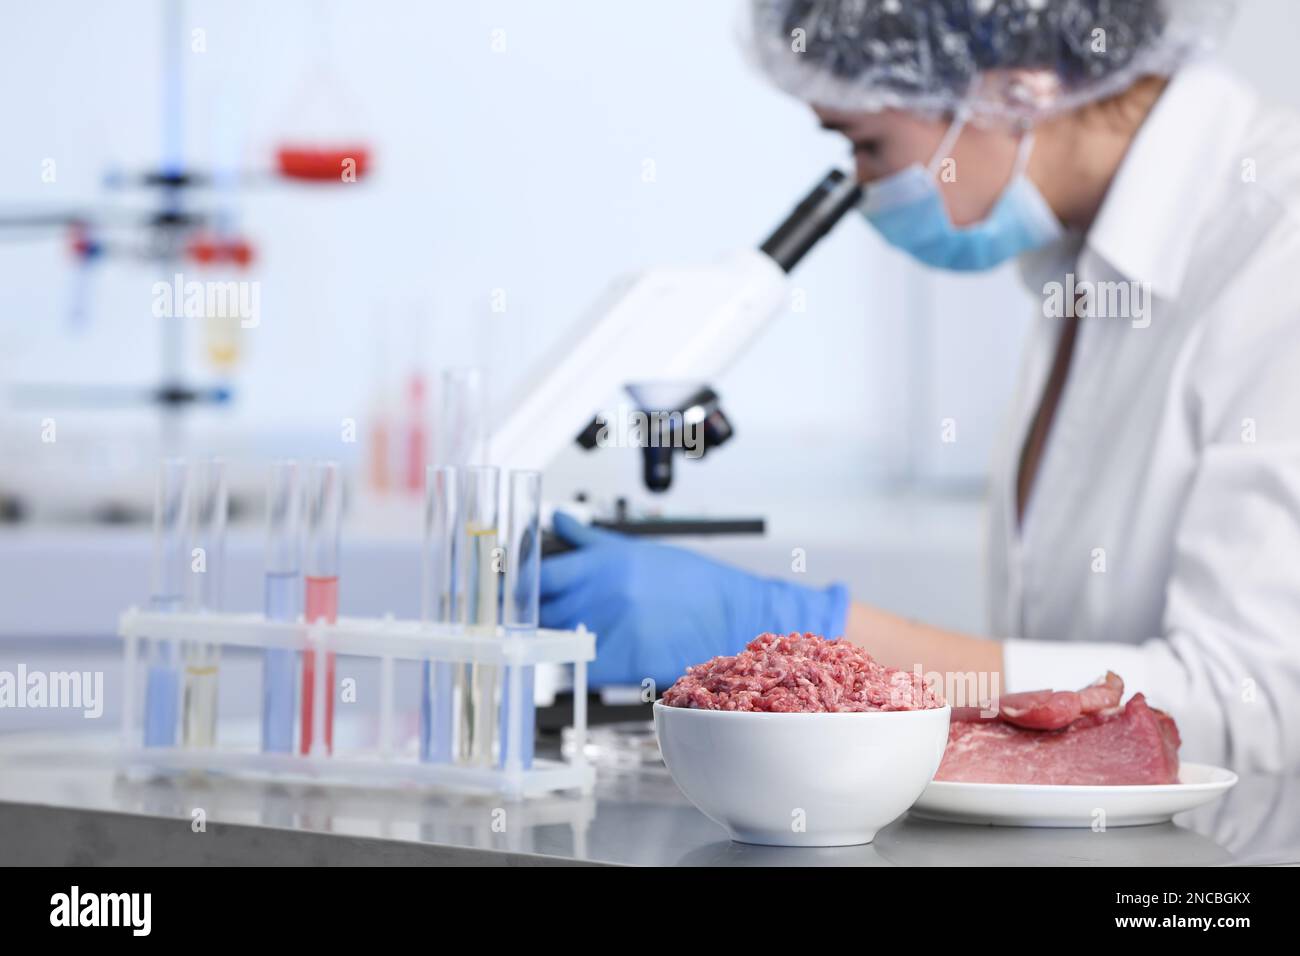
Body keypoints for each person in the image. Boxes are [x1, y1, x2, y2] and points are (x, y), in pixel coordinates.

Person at [541, 0, 1300, 773]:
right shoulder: (1079, 269)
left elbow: (1256, 706)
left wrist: (798, 640)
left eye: (868, 145)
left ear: (1013, 86)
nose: (864, 188)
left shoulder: (1278, 247)